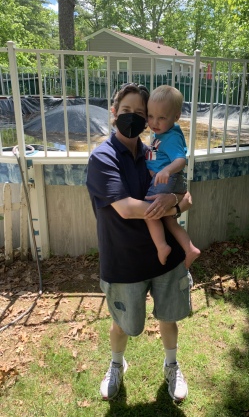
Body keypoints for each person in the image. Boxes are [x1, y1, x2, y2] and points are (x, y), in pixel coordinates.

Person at [86, 83, 193, 403]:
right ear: (114, 113)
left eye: (140, 114)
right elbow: (126, 208)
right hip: (123, 261)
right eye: (126, 111)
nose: (133, 118)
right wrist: (173, 205)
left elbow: (187, 197)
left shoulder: (153, 152)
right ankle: (116, 364)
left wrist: (176, 204)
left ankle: (171, 365)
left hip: (164, 259)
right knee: (122, 324)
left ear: (149, 119)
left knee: (168, 318)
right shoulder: (102, 157)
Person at [145, 85, 200, 268]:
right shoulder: (163, 132)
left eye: (161, 117)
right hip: (165, 179)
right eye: (150, 116)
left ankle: (162, 247)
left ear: (176, 117)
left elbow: (181, 160)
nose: (154, 122)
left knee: (150, 212)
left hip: (167, 180)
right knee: (168, 219)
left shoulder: (171, 137)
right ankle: (189, 248)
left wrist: (166, 170)